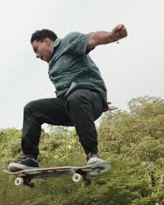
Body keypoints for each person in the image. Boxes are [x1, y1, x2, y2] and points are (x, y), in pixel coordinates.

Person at [8, 24, 128, 171]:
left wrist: (112, 36)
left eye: (36, 49)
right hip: (71, 106)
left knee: (76, 98)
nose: (37, 55)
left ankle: (92, 155)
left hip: (89, 97)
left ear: (47, 42)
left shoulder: (68, 42)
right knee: (32, 109)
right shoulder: (52, 66)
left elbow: (92, 38)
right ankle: (30, 158)